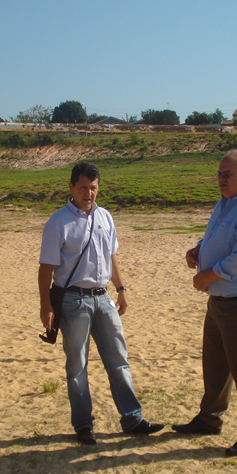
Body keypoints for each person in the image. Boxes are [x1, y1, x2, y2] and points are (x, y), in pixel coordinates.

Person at [38, 162, 164, 445]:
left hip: (103, 297)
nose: (89, 193)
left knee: (119, 359)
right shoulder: (57, 223)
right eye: (83, 187)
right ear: (70, 187)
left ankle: (132, 419)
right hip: (72, 301)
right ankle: (84, 425)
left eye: (93, 187)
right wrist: (45, 306)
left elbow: (111, 256)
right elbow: (46, 269)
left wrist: (121, 289)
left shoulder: (105, 217)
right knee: (77, 366)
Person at [173, 150, 237, 456]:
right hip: (222, 298)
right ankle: (210, 419)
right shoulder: (229, 201)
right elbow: (221, 237)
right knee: (216, 365)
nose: (220, 180)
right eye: (218, 174)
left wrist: (206, 275)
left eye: (226, 174)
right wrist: (198, 249)